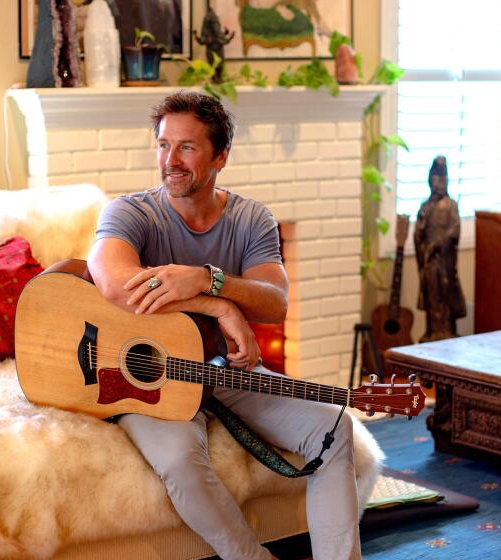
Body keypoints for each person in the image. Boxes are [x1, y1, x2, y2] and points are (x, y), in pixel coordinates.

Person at [87, 91, 361, 560]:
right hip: (150, 377)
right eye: (162, 144)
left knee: (334, 425)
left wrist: (209, 280)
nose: (169, 160)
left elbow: (275, 304)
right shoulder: (131, 212)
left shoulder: (252, 219)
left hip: (220, 370)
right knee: (179, 461)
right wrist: (218, 306)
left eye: (187, 147)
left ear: (220, 157)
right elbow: (115, 284)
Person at [413, 155, 466, 342]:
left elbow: (455, 229)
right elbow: (418, 234)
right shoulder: (425, 208)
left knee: (447, 294)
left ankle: (447, 330)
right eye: (436, 179)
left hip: (446, 261)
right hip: (430, 261)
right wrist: (426, 251)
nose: (439, 183)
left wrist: (441, 242)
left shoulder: (451, 206)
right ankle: (433, 331)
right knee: (432, 296)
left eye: (443, 179)